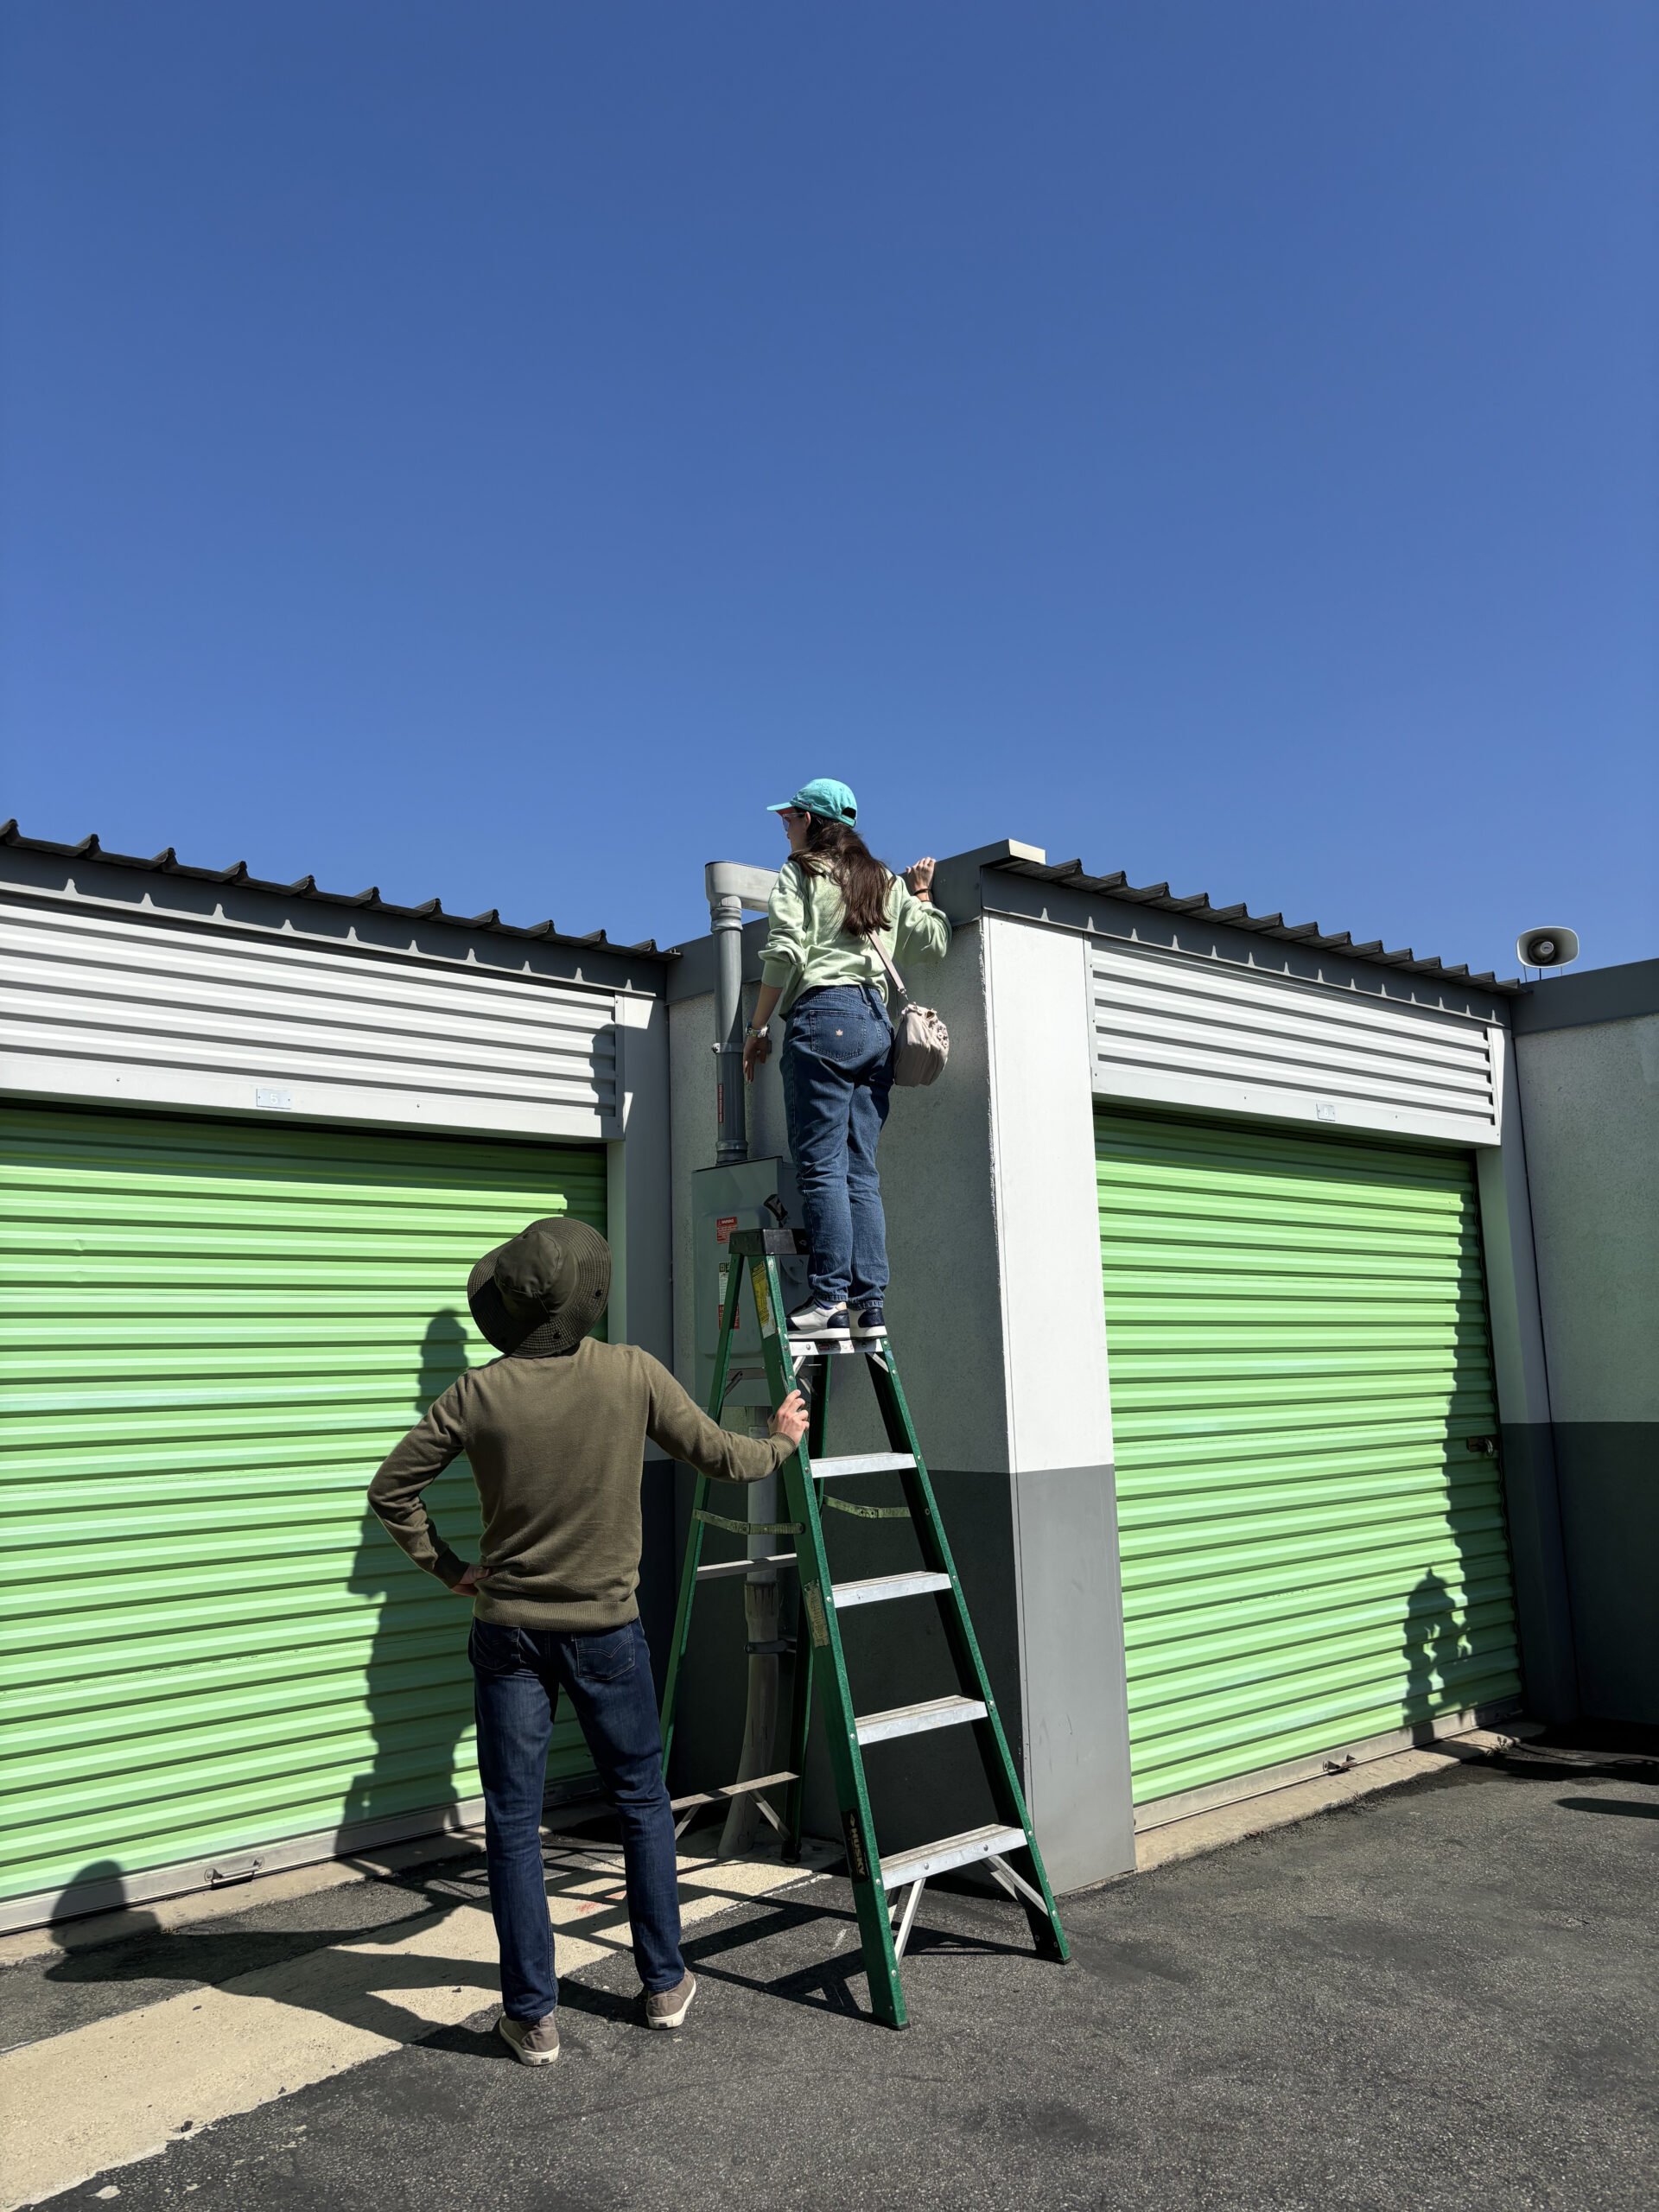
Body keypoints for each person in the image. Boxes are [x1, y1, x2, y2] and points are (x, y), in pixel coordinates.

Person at [367, 1215, 808, 2068]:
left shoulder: (477, 1393)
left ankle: (532, 2017)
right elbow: (720, 1455)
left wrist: (451, 1567)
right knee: (642, 1802)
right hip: (608, 1631)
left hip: (509, 1636)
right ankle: (664, 1984)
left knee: (513, 1823)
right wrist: (781, 1444)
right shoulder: (631, 1373)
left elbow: (392, 1491)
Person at [741, 777, 949, 1338]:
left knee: (822, 1167)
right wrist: (922, 892)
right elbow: (934, 942)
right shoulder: (882, 879)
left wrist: (756, 1027)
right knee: (861, 1170)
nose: (784, 827)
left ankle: (829, 1297)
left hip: (822, 1020)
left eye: (789, 818)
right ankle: (869, 1305)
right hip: (876, 1028)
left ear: (811, 821)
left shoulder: (801, 873)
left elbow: (784, 951)